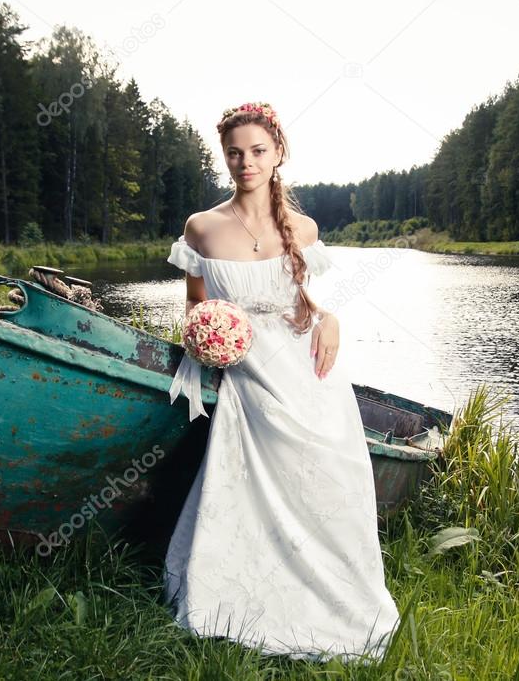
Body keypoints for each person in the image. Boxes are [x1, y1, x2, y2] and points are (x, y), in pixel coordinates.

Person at [162, 101, 401, 663]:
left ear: (277, 155)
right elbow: (196, 309)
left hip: (303, 364)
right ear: (225, 158)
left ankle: (337, 594)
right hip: (243, 365)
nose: (246, 162)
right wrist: (208, 339)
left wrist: (332, 319)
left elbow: (306, 305)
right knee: (254, 455)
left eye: (257, 151)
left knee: (331, 467)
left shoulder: (304, 228)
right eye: (235, 153)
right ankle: (240, 589)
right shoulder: (203, 227)